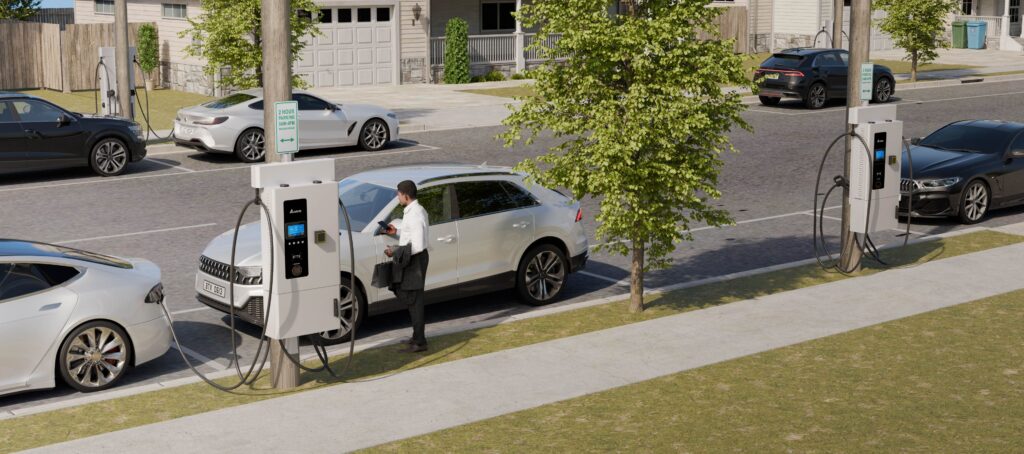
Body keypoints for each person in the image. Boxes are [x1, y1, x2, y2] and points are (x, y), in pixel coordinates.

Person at [384, 180, 430, 353]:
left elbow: (417, 245)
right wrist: (397, 233)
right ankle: (417, 337)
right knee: (411, 298)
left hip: (415, 260)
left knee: (414, 300)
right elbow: (412, 236)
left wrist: (395, 251)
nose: (398, 197)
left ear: (405, 195)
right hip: (413, 259)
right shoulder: (414, 211)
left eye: (398, 194)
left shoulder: (415, 214)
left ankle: (420, 342)